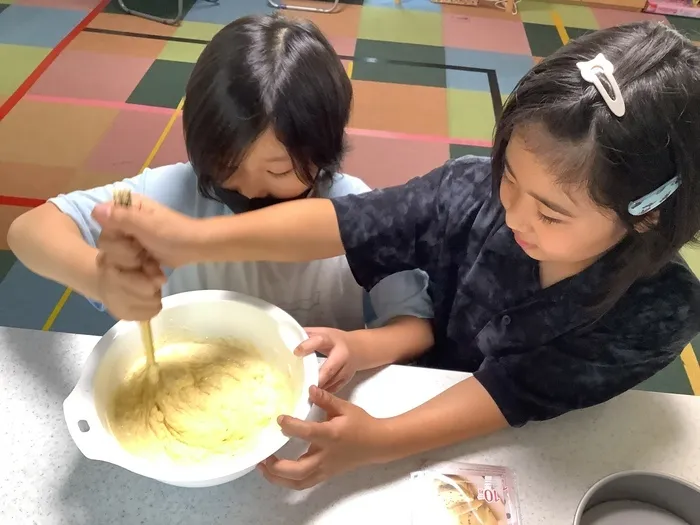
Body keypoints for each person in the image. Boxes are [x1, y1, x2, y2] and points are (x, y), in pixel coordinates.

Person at [64, 21, 700, 489]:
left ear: (648, 217)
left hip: (528, 450)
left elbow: (513, 393)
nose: (514, 214)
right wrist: (193, 238)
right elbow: (351, 222)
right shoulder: (471, 189)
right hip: (413, 386)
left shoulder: (658, 309)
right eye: (511, 176)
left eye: (551, 212)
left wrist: (381, 441)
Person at [6, 14, 434, 384]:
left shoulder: (357, 210)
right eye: (226, 165)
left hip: (313, 395)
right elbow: (30, 229)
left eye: (278, 170)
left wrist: (359, 346)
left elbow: (414, 326)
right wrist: (97, 277)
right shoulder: (173, 193)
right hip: (188, 384)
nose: (246, 189)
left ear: (324, 149)